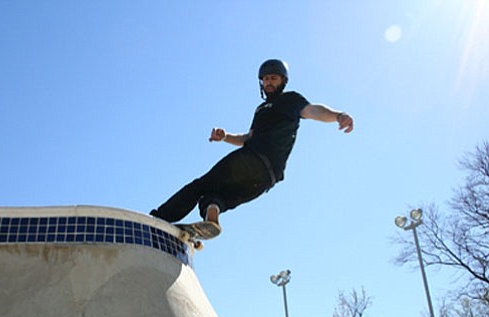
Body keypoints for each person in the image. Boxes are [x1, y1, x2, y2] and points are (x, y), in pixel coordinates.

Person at [150, 59, 354, 226]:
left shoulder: (290, 100)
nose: (268, 83)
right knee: (221, 198)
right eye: (265, 79)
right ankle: (212, 210)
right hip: (267, 177)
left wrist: (338, 115)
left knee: (199, 186)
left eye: (273, 79)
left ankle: (159, 219)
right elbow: (248, 138)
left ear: (283, 81)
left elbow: (312, 110)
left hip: (250, 159)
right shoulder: (261, 110)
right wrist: (225, 137)